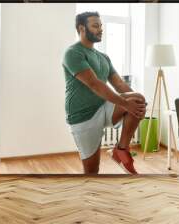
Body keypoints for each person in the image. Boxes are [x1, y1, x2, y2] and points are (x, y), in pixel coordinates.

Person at [62, 11, 146, 174]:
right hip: (83, 115)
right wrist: (125, 104)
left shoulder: (103, 57)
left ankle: (121, 150)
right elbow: (94, 84)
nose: (100, 29)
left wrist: (138, 106)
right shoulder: (73, 53)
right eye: (95, 26)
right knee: (92, 171)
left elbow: (120, 84)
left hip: (104, 108)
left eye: (101, 26)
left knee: (138, 99)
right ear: (82, 28)